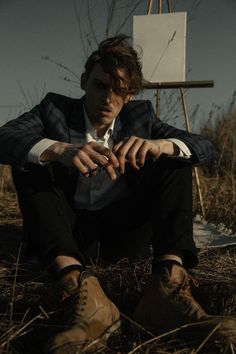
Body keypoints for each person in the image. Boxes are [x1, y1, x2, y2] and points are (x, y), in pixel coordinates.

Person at [0, 35, 235, 353]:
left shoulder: (142, 117)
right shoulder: (53, 109)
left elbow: (203, 147)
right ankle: (77, 285)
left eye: (120, 91)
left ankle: (167, 287)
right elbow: (5, 137)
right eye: (100, 86)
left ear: (130, 95)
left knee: (176, 157)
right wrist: (58, 149)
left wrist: (159, 145)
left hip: (123, 234)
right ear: (84, 81)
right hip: (67, 234)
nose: (108, 98)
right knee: (30, 159)